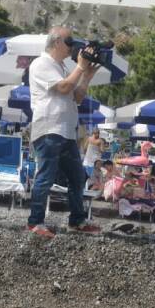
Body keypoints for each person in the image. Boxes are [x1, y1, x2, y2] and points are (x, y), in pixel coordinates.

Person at [26, 26, 101, 238]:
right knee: (46, 176)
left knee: (77, 177)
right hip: (49, 127)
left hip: (65, 130)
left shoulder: (60, 67)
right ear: (57, 42)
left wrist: (86, 75)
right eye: (69, 42)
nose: (72, 47)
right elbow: (64, 88)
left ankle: (77, 221)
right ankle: (35, 221)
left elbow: (76, 97)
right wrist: (80, 66)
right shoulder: (41, 64)